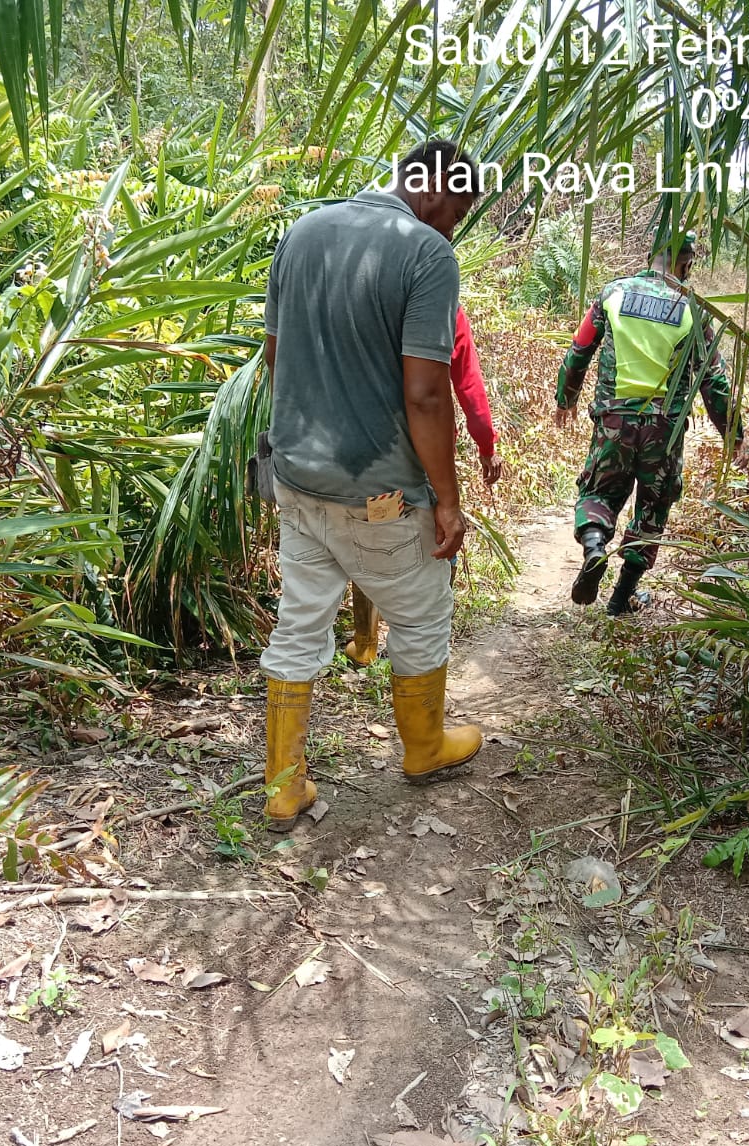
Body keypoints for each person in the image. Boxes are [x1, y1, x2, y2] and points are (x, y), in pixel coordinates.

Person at [260, 140, 486, 831]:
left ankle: (283, 787)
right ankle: (424, 747)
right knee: (421, 614)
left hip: (297, 478)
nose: (453, 228)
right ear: (436, 187)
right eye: (458, 212)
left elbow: (275, 357)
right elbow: (426, 393)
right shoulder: (425, 253)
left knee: (300, 623)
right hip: (380, 491)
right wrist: (448, 499)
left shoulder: (302, 231)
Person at [553, 230, 743, 615]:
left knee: (599, 492)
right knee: (654, 506)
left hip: (614, 420)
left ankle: (594, 547)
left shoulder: (613, 293)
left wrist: (566, 398)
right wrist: (732, 432)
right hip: (664, 430)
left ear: (651, 255)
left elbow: (580, 349)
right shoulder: (693, 310)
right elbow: (713, 379)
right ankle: (621, 598)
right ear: (686, 263)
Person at [345, 303, 501, 667]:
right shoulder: (445, 309)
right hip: (427, 452)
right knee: (439, 531)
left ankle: (365, 643)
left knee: (375, 529)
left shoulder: (371, 301)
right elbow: (468, 385)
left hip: (372, 449)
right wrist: (486, 446)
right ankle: (426, 632)